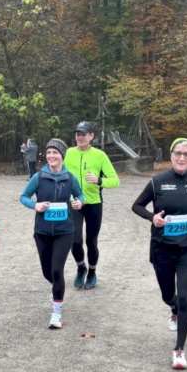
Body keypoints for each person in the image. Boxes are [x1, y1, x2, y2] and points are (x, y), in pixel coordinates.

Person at [132, 138, 187, 369]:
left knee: (184, 296)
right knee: (168, 295)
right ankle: (172, 309)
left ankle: (179, 349)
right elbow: (137, 206)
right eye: (178, 153)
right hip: (162, 248)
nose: (182, 158)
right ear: (170, 156)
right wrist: (153, 218)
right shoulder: (157, 181)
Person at [19, 138, 84, 328]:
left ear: (62, 156)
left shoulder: (70, 178)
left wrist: (80, 202)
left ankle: (57, 312)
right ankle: (56, 289)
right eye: (48, 153)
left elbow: (80, 195)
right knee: (48, 272)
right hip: (42, 232)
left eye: (55, 153)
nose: (51, 156)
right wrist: (35, 205)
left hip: (65, 231)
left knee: (57, 270)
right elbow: (23, 197)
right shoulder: (38, 177)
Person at [64, 121, 119, 289]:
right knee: (75, 240)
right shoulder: (68, 153)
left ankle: (92, 272)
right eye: (78, 134)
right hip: (75, 203)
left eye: (84, 134)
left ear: (91, 136)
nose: (80, 137)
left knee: (91, 241)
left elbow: (115, 180)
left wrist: (99, 181)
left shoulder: (100, 156)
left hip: (94, 203)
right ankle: (81, 268)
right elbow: (58, 172)